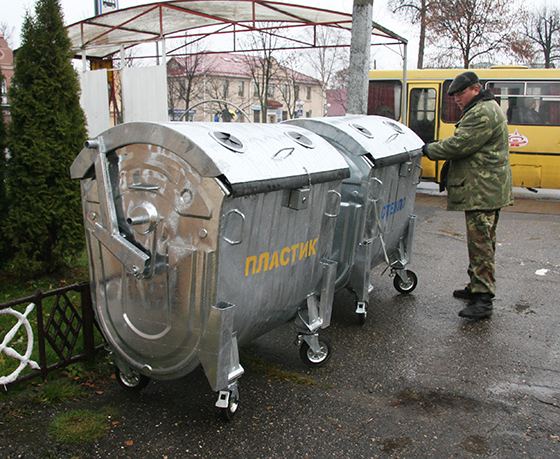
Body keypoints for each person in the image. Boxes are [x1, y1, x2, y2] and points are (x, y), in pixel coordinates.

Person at [423, 71, 514, 319]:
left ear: (476, 89)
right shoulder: (484, 108)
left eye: (461, 93)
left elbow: (459, 145)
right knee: (482, 241)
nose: (457, 99)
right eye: (454, 96)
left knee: (481, 243)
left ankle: (483, 300)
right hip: (485, 188)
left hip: (483, 190)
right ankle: (476, 286)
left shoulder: (482, 112)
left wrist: (427, 149)